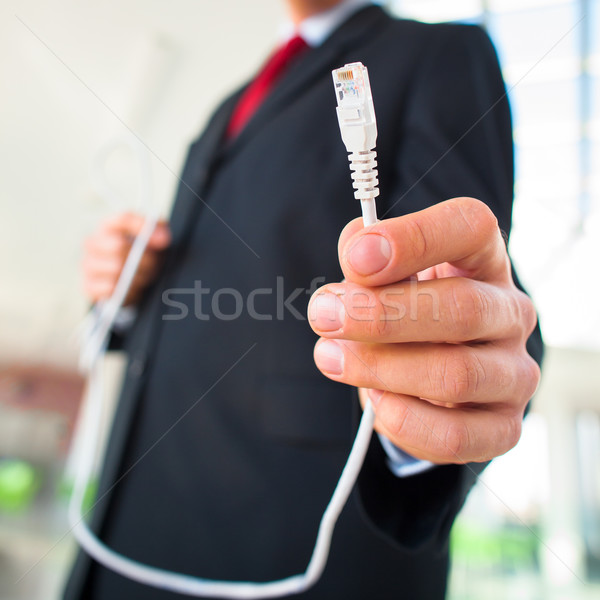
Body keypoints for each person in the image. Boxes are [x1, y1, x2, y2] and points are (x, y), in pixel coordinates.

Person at [64, 0, 543, 598]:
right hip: (126, 520)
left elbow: (472, 281)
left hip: (294, 536)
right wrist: (130, 286)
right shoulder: (227, 107)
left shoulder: (442, 52)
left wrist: (448, 393)